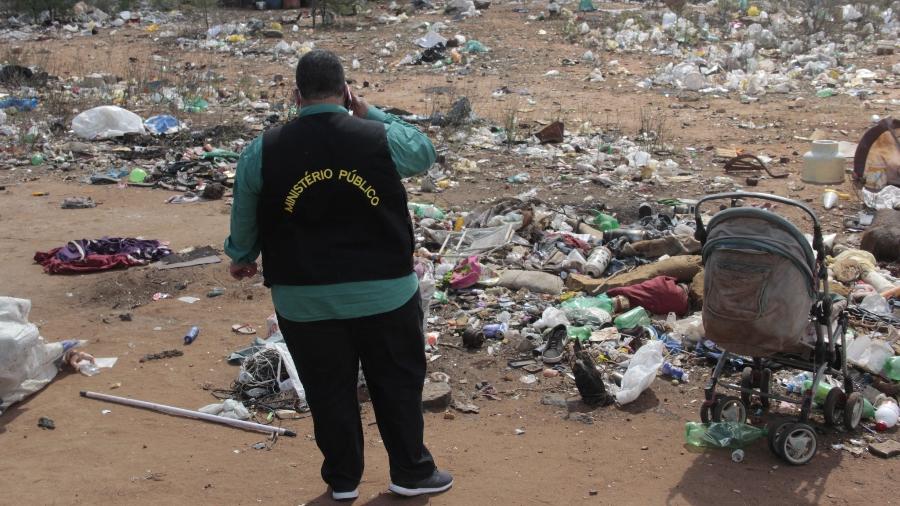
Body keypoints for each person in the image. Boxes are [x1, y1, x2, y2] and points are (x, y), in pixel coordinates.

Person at [224, 49, 452, 501]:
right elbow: (424, 153)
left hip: (303, 298)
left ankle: (343, 483)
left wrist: (242, 255)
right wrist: (371, 111)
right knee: (397, 384)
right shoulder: (376, 137)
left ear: (296, 95)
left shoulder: (263, 148)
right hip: (384, 292)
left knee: (329, 391)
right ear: (345, 91)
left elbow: (245, 208)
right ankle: (410, 472)